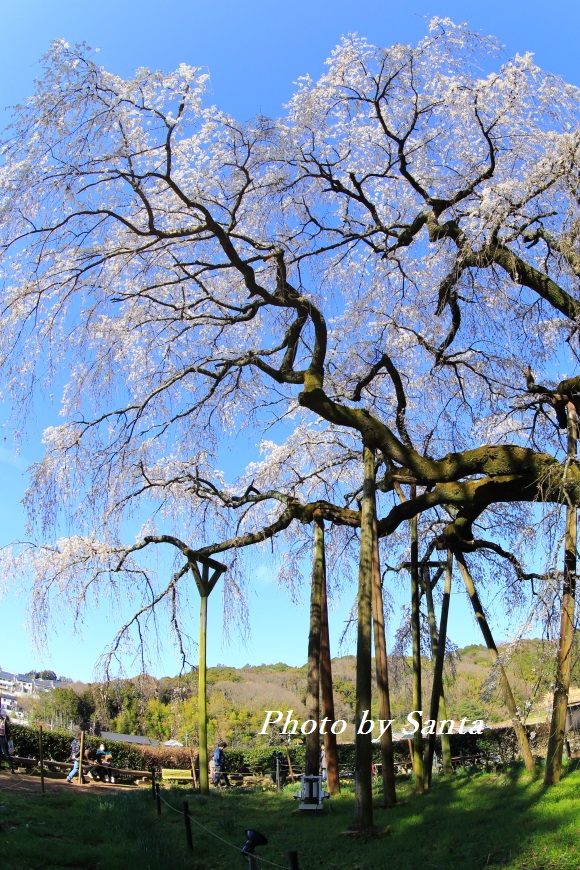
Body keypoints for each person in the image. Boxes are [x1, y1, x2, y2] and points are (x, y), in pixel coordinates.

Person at [0, 707, 15, 774]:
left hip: (3, 738)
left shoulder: (4, 721)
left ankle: (11, 767)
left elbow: (8, 730)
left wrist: (8, 738)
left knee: (6, 753)